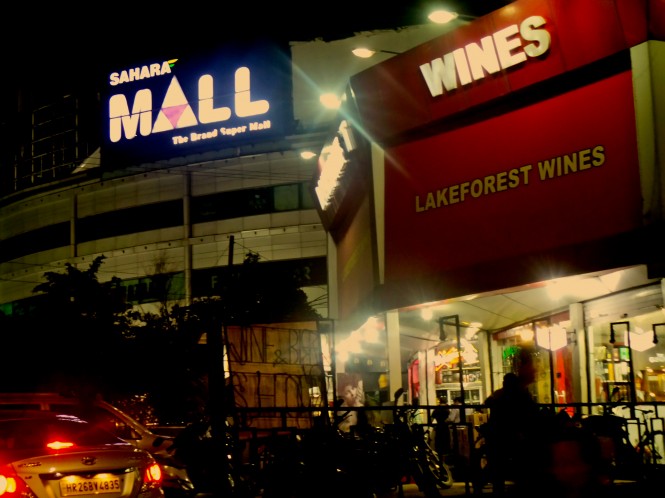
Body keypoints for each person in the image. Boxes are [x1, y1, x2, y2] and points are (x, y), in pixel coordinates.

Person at [484, 348, 540, 495]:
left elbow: (487, 403)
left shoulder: (500, 394)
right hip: (512, 432)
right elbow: (529, 411)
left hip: (498, 433)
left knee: (498, 463)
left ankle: (498, 485)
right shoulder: (519, 394)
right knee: (521, 456)